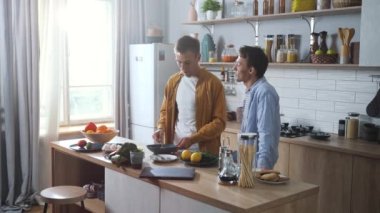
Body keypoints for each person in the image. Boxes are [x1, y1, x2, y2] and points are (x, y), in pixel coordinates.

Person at [152, 35, 227, 155]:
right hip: (175, 150)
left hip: (203, 153)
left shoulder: (213, 84)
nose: (183, 68)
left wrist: (193, 139)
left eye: (187, 63)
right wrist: (160, 128)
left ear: (198, 57)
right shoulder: (173, 81)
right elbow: (165, 112)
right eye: (179, 62)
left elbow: (220, 122)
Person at [233, 46, 280, 170]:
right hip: (248, 164)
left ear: (251, 70)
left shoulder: (265, 92)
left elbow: (266, 134)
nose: (234, 68)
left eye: (238, 64)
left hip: (258, 166)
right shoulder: (251, 91)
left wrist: (262, 170)